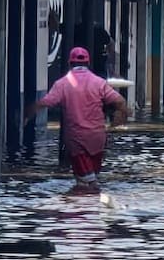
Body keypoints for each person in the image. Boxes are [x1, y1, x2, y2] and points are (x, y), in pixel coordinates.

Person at [27, 46, 129, 189]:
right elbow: (120, 101)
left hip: (76, 139)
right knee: (87, 178)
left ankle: (88, 205)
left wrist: (28, 113)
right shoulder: (99, 83)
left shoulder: (62, 84)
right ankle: (90, 208)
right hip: (97, 139)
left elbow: (46, 102)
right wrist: (122, 116)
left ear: (69, 64)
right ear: (88, 63)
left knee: (88, 181)